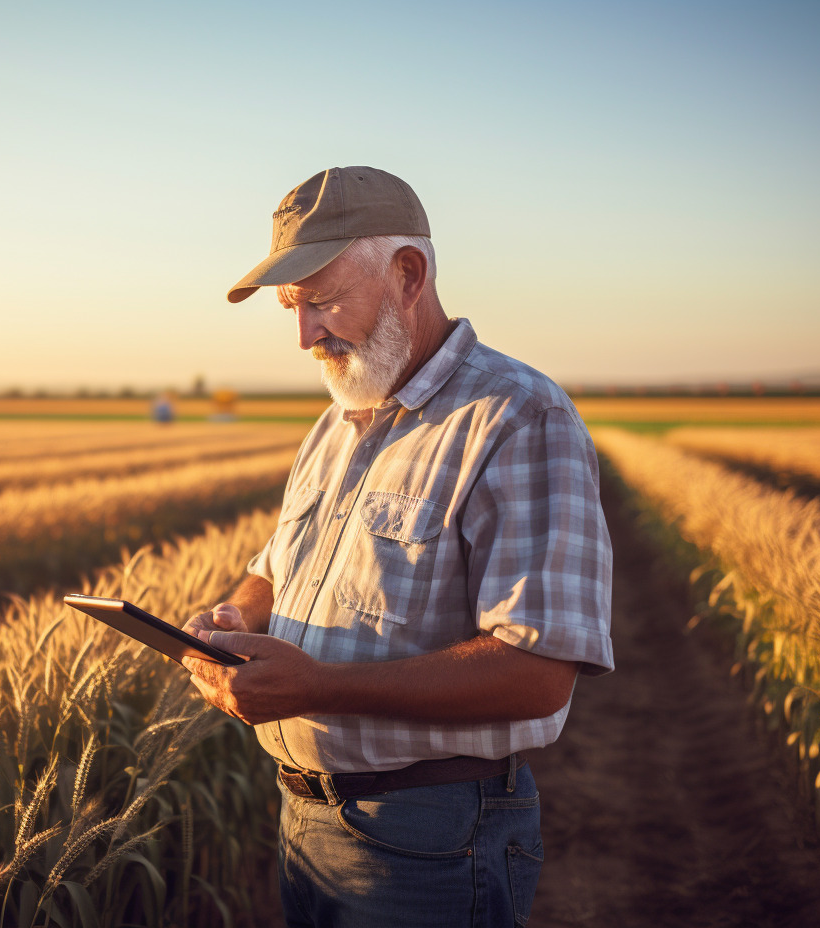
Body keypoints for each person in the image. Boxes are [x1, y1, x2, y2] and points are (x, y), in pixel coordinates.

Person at [180, 166, 614, 928]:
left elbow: (541, 670)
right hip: (303, 826)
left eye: (321, 301)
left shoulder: (518, 416)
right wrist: (232, 620)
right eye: (292, 308)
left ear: (407, 274)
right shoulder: (337, 421)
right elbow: (274, 570)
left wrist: (320, 688)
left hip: (432, 837)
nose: (305, 335)